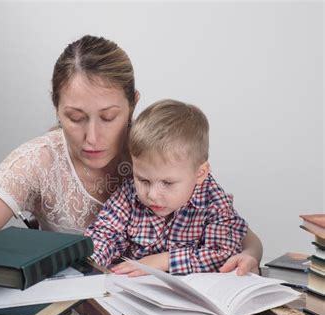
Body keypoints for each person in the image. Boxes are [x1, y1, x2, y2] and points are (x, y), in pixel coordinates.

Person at [0, 34, 262, 275]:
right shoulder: (38, 161)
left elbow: (237, 234)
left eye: (109, 117)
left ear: (133, 104)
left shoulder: (156, 149)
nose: (92, 138)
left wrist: (248, 256)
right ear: (57, 109)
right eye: (76, 117)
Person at [87, 99, 248, 275]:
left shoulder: (214, 202)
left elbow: (223, 253)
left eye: (167, 183)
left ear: (200, 173)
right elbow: (105, 234)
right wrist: (88, 262)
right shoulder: (128, 195)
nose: (152, 195)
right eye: (143, 180)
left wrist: (164, 261)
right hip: (133, 290)